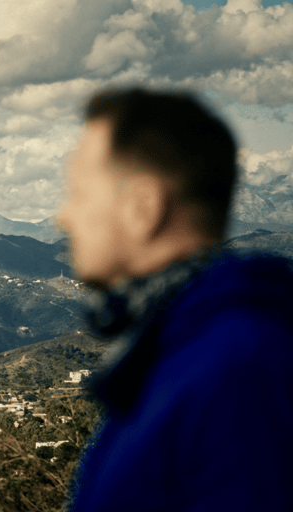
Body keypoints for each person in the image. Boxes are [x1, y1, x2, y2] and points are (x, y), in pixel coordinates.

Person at [57, 87, 293, 511]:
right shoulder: (175, 353)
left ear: (143, 207)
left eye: (80, 193)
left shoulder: (238, 369)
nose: (64, 216)